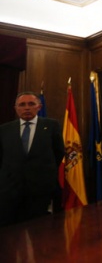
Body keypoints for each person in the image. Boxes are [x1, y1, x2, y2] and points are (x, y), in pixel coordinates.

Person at [0, 92, 65, 226]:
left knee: (40, 232)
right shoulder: (4, 130)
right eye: (22, 105)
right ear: (16, 108)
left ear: (39, 107)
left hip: (40, 190)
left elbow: (58, 153)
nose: (27, 108)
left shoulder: (51, 126)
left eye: (31, 104)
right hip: (11, 192)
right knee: (11, 236)